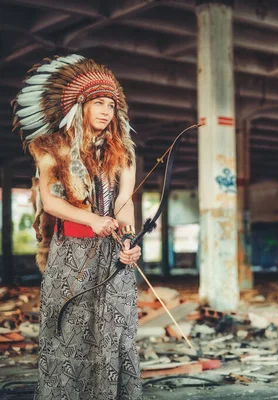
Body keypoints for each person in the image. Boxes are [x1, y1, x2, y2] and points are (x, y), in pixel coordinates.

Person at [13, 54, 143, 399]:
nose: (105, 111)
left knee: (114, 329)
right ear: (80, 106)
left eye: (111, 105)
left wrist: (129, 240)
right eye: (98, 103)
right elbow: (52, 202)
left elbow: (124, 201)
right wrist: (92, 219)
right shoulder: (51, 148)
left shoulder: (123, 152)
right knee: (69, 330)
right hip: (70, 254)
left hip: (113, 255)